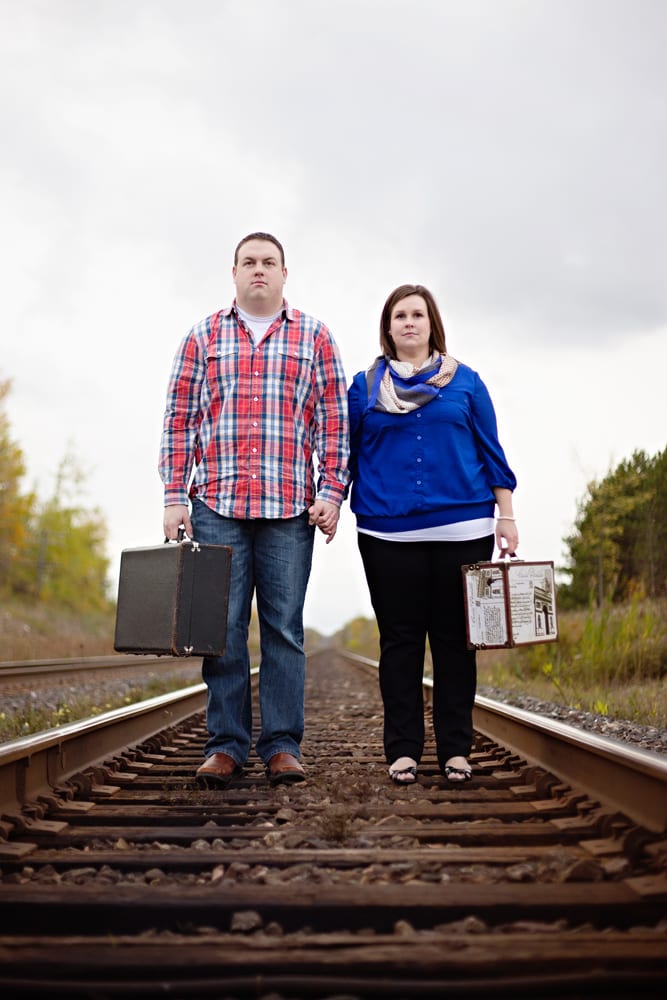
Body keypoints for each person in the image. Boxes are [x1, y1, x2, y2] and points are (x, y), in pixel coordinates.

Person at [159, 232, 349, 788]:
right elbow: (179, 419)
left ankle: (283, 745)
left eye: (269, 262)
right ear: (235, 272)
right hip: (216, 504)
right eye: (249, 262)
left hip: (289, 509)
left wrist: (331, 493)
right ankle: (226, 745)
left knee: (283, 630)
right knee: (221, 629)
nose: (258, 269)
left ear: (284, 273)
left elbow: (334, 421)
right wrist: (174, 496)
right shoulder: (203, 336)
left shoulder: (315, 336)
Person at [347, 284, 518, 785]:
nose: (409, 322)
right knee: (399, 643)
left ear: (431, 323)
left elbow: (492, 452)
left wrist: (507, 516)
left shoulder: (466, 382)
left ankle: (455, 751)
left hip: (464, 528)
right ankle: (403, 751)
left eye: (417, 314)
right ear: (388, 327)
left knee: (455, 643)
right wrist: (329, 500)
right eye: (399, 315)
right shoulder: (363, 387)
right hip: (386, 532)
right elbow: (346, 456)